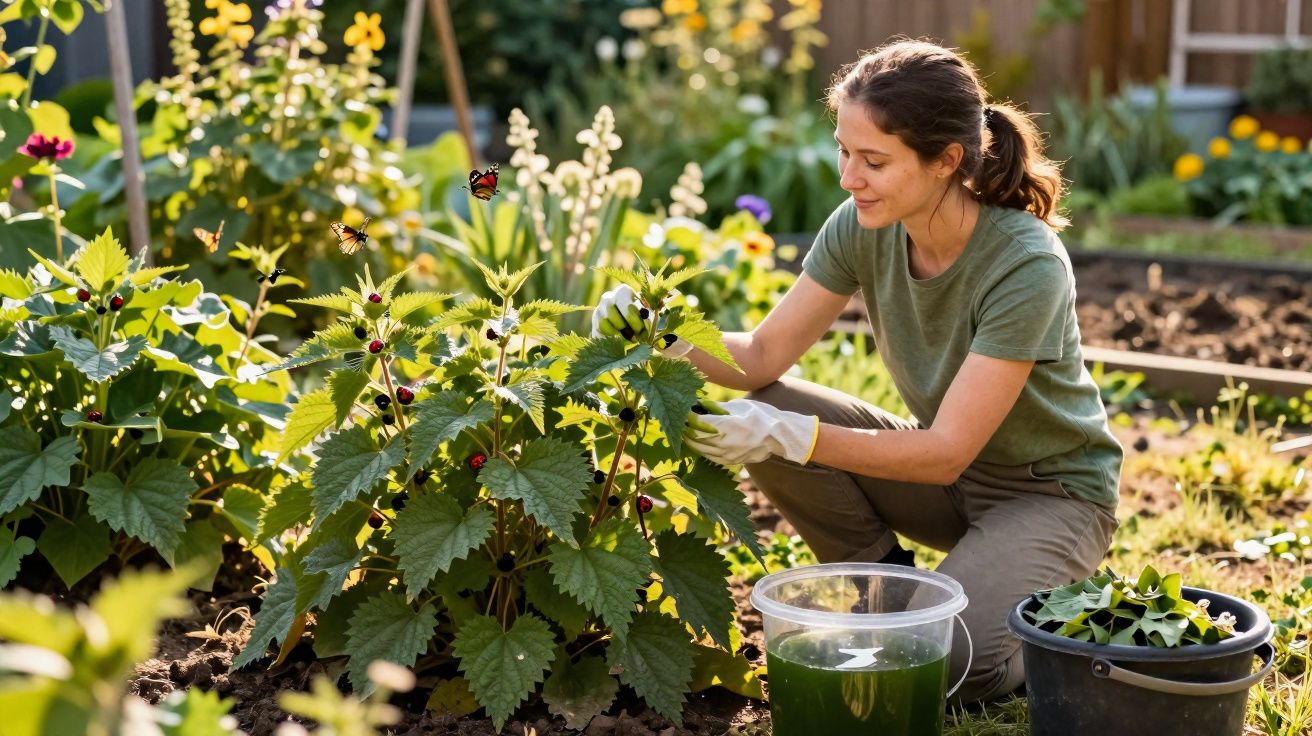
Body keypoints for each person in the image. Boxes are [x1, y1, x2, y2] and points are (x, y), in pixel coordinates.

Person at [591, 38, 1121, 706]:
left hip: (1050, 497)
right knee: (771, 396)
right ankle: (889, 596)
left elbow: (945, 452)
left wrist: (789, 436)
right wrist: (655, 333)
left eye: (873, 160)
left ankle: (1049, 636)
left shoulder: (1024, 263)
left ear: (946, 161)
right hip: (950, 486)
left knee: (950, 671)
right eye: (844, 151)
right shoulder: (863, 224)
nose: (848, 176)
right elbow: (760, 356)